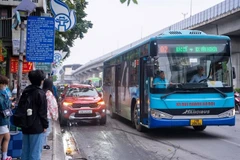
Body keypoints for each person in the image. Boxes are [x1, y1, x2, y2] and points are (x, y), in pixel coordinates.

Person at [20, 70, 48, 160]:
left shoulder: (26, 91)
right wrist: (45, 125)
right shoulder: (40, 93)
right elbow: (42, 112)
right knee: (35, 153)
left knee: (25, 151)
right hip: (37, 126)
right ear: (40, 81)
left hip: (25, 125)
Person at [42, 79, 58, 150]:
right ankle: (43, 145)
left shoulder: (42, 92)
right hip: (47, 116)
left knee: (43, 131)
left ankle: (44, 144)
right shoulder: (49, 94)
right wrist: (54, 116)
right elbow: (52, 106)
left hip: (41, 115)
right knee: (46, 131)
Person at [0, 75, 12, 160]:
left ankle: (4, 156)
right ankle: (4, 157)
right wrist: (10, 105)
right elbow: (3, 106)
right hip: (1, 120)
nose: (5, 86)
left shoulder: (3, 93)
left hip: (3, 120)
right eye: (4, 84)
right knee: (3, 137)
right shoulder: (1, 94)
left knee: (7, 137)